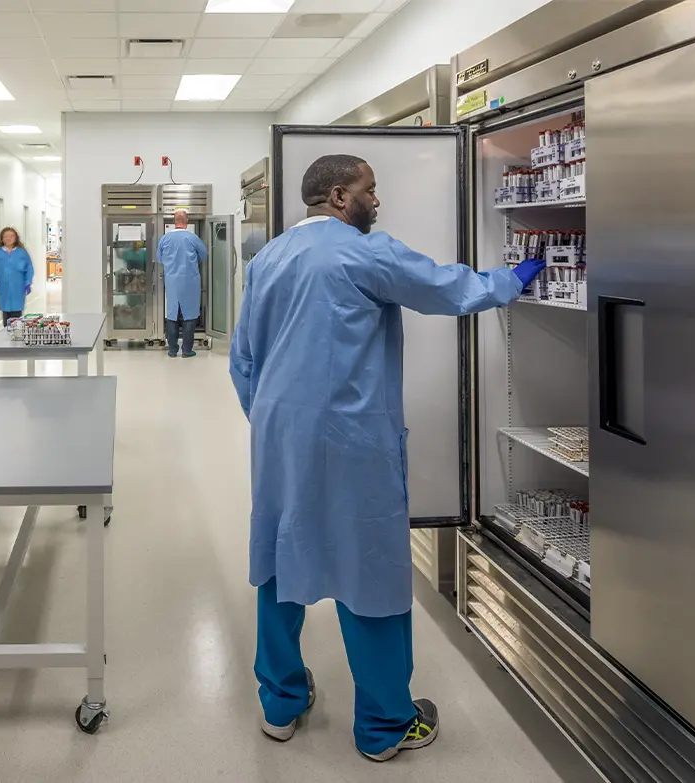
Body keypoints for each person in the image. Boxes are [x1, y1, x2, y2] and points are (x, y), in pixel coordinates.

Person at [229, 154, 545, 763]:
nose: (378, 201)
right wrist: (510, 280)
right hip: (352, 443)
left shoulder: (265, 259)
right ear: (341, 197)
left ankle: (281, 703)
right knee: (369, 567)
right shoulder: (361, 251)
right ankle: (383, 725)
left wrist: (275, 423)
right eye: (371, 190)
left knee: (279, 556)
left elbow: (242, 359)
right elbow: (447, 288)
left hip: (279, 440)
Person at [157, 209, 208, 358]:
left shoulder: (164, 239)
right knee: (190, 315)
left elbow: (159, 259)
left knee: (172, 314)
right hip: (190, 281)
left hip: (172, 282)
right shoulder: (193, 238)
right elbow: (204, 255)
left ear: (174, 222)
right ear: (187, 222)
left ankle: (172, 350)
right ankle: (187, 350)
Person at [0, 226, 34, 327]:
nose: (9, 238)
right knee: (6, 314)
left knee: (17, 314)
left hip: (18, 287)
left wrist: (28, 283)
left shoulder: (22, 252)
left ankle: (17, 335)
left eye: (11, 236)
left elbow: (29, 268)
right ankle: (7, 336)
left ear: (16, 238)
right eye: (6, 236)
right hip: (3, 287)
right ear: (2, 239)